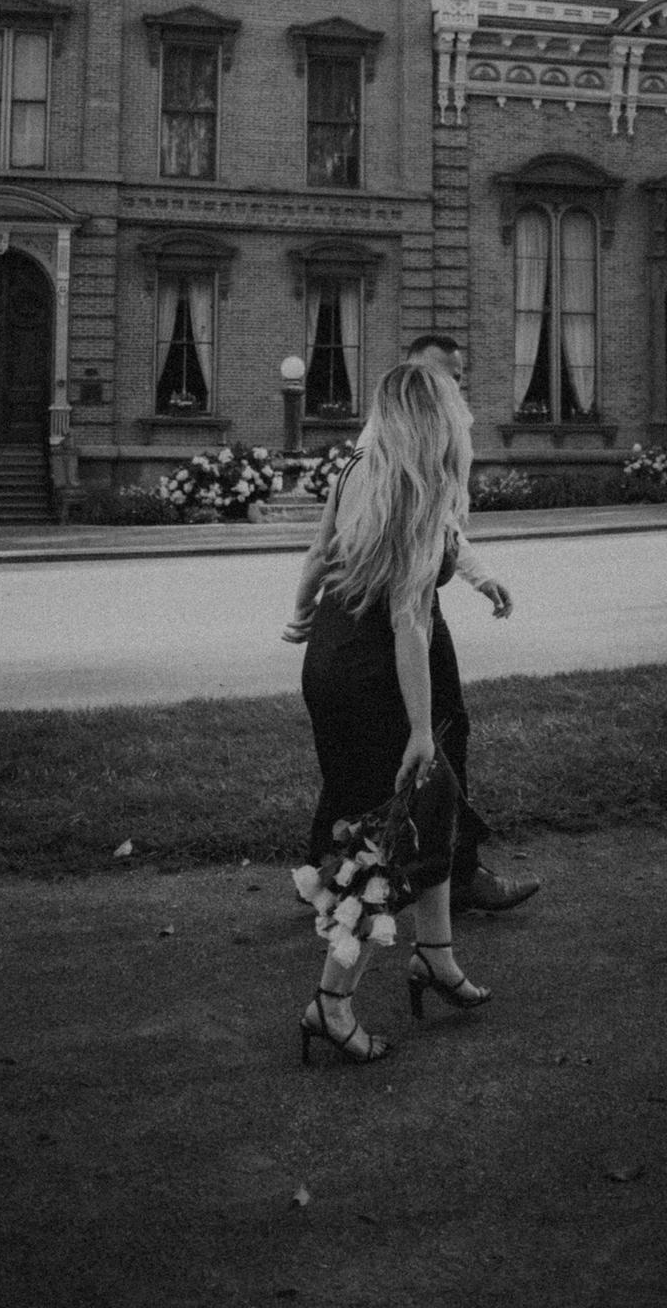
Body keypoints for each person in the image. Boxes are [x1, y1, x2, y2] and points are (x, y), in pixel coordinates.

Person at [286, 361, 493, 1065]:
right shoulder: (419, 492)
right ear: (439, 421)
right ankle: (332, 1002)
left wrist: (300, 615)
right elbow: (410, 622)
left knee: (434, 801)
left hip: (331, 657)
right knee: (385, 834)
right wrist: (419, 730)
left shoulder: (355, 470)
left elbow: (319, 552)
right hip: (375, 671)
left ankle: (436, 954)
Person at [402, 335, 541, 913]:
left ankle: (443, 871)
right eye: (445, 376)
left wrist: (481, 578)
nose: (455, 389)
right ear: (413, 374)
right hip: (402, 610)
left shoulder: (424, 435)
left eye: (459, 377)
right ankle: (449, 878)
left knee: (438, 733)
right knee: (435, 734)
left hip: (408, 608)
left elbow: (446, 529)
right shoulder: (396, 440)